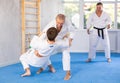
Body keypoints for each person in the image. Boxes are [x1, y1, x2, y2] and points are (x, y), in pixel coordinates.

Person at [37, 14, 76, 80]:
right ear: (55, 20)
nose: (59, 25)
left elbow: (72, 31)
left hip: (63, 38)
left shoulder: (67, 23)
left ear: (64, 21)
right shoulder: (51, 23)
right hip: (54, 38)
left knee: (66, 53)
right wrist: (37, 41)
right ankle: (46, 67)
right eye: (58, 23)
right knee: (46, 51)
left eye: (61, 23)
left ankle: (68, 73)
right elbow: (44, 32)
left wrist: (70, 40)